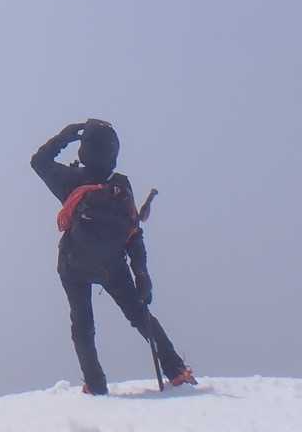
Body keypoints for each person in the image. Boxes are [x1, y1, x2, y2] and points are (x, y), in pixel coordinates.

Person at [30, 119, 196, 395]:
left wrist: (66, 135)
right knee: (140, 316)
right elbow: (133, 232)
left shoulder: (70, 180)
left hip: (74, 264)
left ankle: (95, 384)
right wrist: (141, 275)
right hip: (113, 266)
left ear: (84, 149)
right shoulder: (120, 186)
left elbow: (39, 161)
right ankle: (176, 371)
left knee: (82, 324)